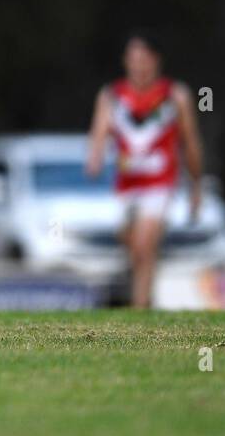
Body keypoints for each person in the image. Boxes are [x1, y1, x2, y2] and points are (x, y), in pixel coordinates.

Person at [86, 34, 203, 308]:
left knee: (144, 244)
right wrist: (95, 156)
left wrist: (196, 185)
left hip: (160, 183)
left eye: (145, 59)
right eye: (134, 59)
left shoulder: (174, 96)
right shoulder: (112, 96)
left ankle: (140, 308)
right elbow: (100, 131)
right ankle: (144, 290)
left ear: (156, 61)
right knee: (133, 244)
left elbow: (190, 142)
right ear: (126, 61)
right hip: (126, 185)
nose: (139, 66)